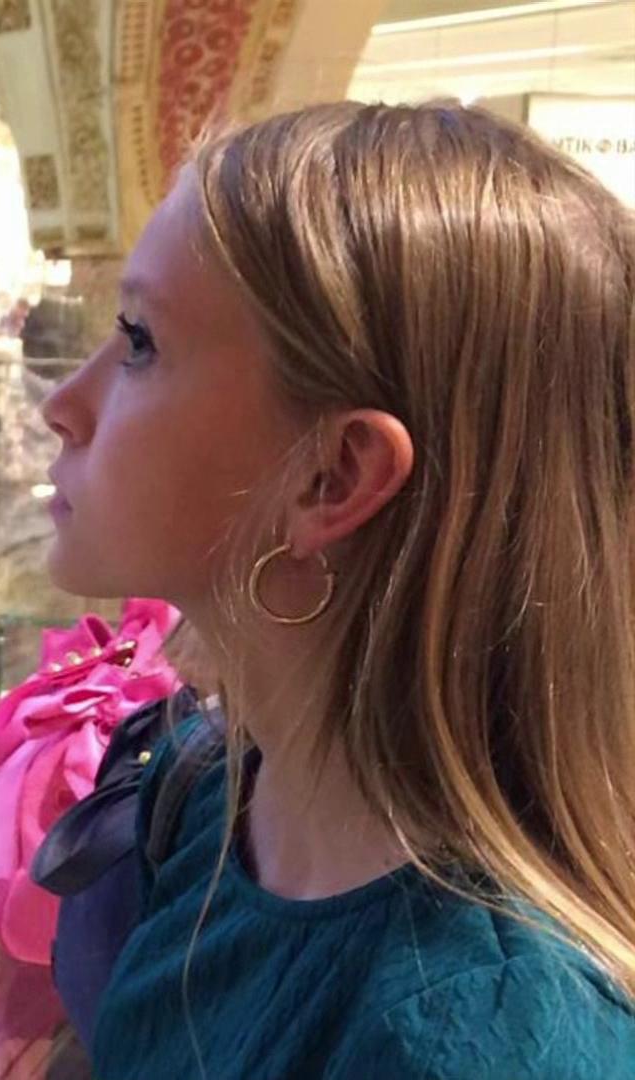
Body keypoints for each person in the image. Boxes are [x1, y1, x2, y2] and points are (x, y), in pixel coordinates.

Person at [40, 101, 635, 1075]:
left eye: (140, 341)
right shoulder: (216, 792)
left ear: (334, 478)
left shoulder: (480, 1041)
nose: (63, 405)